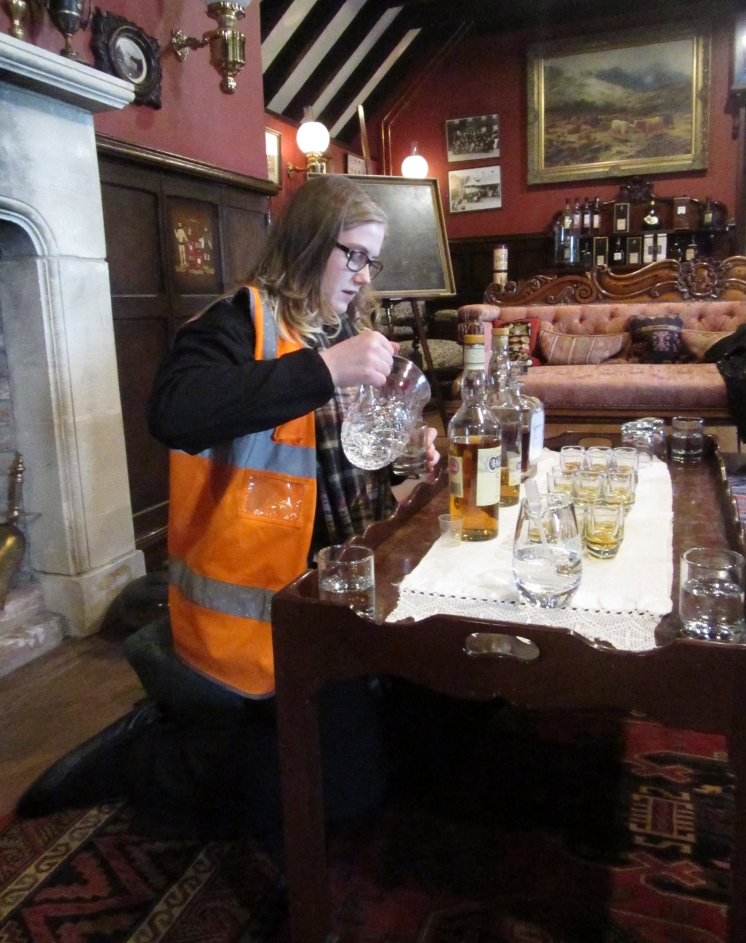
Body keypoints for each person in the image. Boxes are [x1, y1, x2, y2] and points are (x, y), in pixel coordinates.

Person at [17, 175, 442, 838]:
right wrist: (326, 370)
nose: (364, 275)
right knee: (340, 795)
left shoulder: (346, 329)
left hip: (336, 594)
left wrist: (410, 449)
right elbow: (174, 412)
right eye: (353, 255)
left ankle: (218, 729)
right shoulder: (236, 323)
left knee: (425, 725)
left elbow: (344, 457)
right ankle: (145, 754)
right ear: (308, 244)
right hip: (259, 619)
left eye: (372, 261)